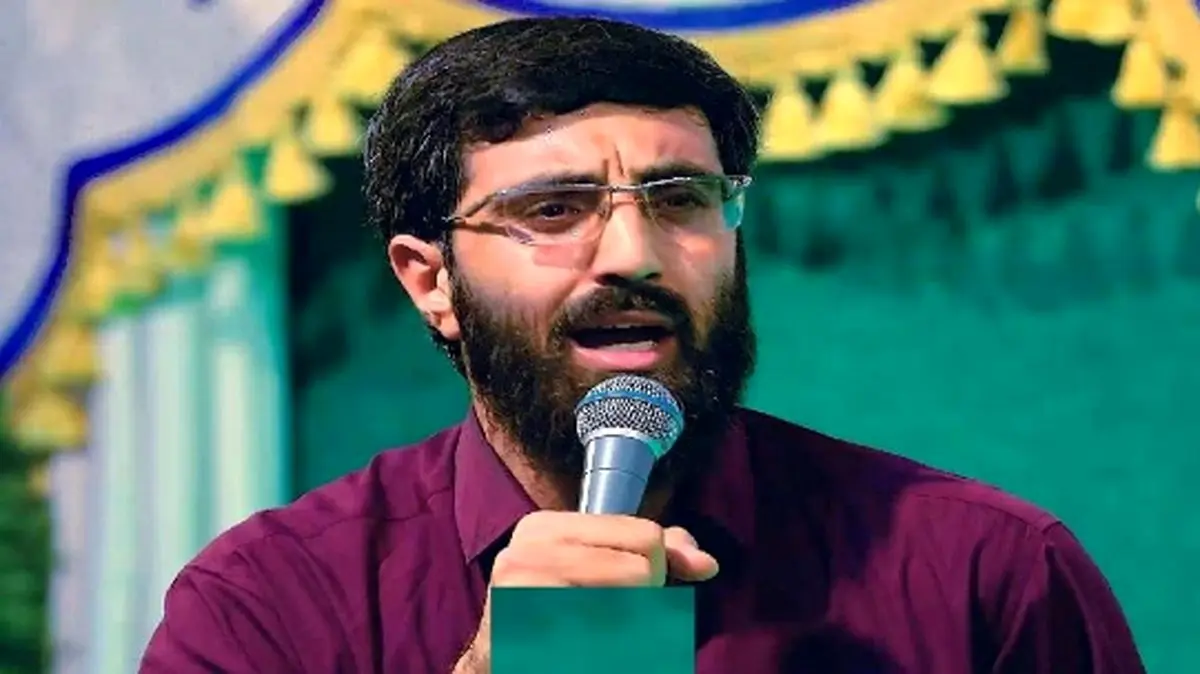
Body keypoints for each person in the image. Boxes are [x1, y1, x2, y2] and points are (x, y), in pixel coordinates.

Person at [140, 16, 1147, 674]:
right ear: (430, 280)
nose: (634, 254)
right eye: (553, 208)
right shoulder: (269, 605)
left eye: (680, 200)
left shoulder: (983, 570)